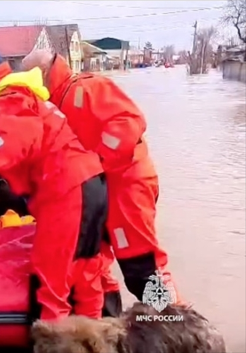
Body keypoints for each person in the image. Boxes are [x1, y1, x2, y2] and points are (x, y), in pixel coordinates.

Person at [0, 47, 108, 321]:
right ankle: (94, 339)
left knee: (51, 277)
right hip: (91, 184)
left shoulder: (9, 96)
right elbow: (4, 131)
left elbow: (18, 136)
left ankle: (54, 343)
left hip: (65, 190)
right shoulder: (26, 94)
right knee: (85, 274)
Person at [22, 50, 178, 307]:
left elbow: (130, 121)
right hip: (94, 191)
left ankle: (176, 324)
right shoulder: (52, 104)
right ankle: (108, 321)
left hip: (126, 186)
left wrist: (97, 160)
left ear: (43, 72)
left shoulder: (88, 87)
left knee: (142, 269)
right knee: (93, 264)